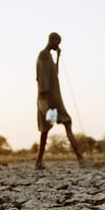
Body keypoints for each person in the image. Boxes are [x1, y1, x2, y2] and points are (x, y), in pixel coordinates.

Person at [35, 32, 85, 170]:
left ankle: (39, 162)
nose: (58, 45)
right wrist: (49, 103)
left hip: (51, 99)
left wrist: (58, 57)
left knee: (50, 128)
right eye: (57, 42)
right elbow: (44, 78)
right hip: (49, 100)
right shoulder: (44, 55)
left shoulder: (48, 55)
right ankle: (80, 158)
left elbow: (53, 73)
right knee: (63, 123)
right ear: (52, 40)